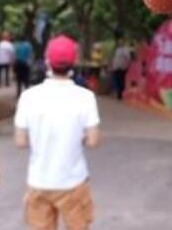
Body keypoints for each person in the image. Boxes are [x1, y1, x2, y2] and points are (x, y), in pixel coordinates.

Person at [14, 35, 101, 230]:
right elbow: (93, 141)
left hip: (39, 181)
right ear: (74, 63)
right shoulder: (85, 97)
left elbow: (20, 141)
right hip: (74, 180)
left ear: (47, 62)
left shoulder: (28, 97)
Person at [110, 34, 131, 101]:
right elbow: (114, 58)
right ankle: (118, 93)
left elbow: (128, 58)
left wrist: (126, 65)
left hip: (122, 67)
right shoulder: (117, 50)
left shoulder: (125, 50)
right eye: (119, 42)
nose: (120, 43)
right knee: (117, 80)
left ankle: (120, 94)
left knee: (121, 80)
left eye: (121, 42)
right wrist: (112, 65)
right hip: (116, 67)